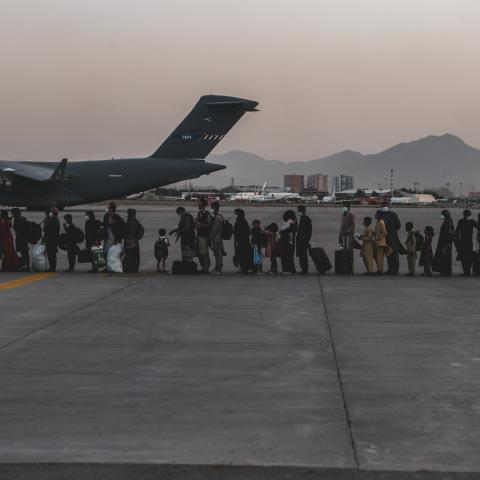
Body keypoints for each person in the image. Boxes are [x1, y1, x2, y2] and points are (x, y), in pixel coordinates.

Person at [381, 201, 403, 275]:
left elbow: (398, 225)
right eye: (383, 205)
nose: (384, 206)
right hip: (385, 237)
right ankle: (390, 269)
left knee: (395, 253)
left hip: (393, 236)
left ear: (388, 206)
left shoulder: (393, 214)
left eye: (386, 205)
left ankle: (396, 270)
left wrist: (392, 231)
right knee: (388, 253)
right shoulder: (381, 215)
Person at [455, 209, 478, 276]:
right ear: (470, 214)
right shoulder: (471, 221)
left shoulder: (461, 221)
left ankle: (466, 272)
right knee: (468, 257)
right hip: (469, 242)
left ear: (464, 214)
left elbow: (457, 232)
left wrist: (457, 241)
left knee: (463, 258)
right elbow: (478, 227)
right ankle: (467, 272)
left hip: (462, 242)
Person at [433, 209, 455, 276]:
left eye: (442, 215)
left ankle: (445, 271)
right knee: (445, 257)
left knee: (445, 257)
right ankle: (445, 270)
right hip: (445, 243)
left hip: (445, 243)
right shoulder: (448, 221)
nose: (441, 216)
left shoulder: (448, 222)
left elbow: (449, 233)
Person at [123, 208, 144, 273]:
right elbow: (141, 230)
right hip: (134, 240)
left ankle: (130, 269)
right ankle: (133, 268)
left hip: (130, 240)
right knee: (133, 255)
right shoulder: (135, 221)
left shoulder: (131, 222)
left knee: (130, 255)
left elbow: (130, 231)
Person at [196, 198, 212, 273]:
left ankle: (206, 268)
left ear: (202, 204)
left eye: (199, 203)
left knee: (204, 252)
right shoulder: (199, 213)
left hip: (204, 235)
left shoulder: (207, 214)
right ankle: (203, 267)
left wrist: (200, 224)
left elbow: (209, 225)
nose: (198, 204)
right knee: (200, 252)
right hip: (199, 234)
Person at [279, 210, 297, 274]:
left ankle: (286, 270)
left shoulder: (289, 222)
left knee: (285, 256)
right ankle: (292, 270)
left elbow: (283, 232)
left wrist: (282, 232)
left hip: (287, 242)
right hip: (291, 242)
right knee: (290, 256)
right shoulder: (294, 222)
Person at [233, 208, 251, 274]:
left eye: (235, 213)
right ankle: (243, 268)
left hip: (241, 241)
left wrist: (237, 241)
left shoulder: (240, 221)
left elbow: (239, 233)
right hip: (244, 241)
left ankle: (244, 269)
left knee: (241, 255)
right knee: (242, 255)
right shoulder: (243, 221)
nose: (235, 215)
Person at [339, 202, 355, 272]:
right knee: (344, 252)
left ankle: (350, 268)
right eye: (343, 206)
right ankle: (345, 267)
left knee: (350, 252)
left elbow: (353, 225)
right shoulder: (344, 214)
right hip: (343, 236)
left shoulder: (351, 214)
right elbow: (342, 226)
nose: (344, 207)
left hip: (349, 236)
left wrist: (348, 231)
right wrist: (340, 235)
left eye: (345, 206)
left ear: (349, 207)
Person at [43, 207, 60, 272]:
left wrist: (46, 222)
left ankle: (52, 268)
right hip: (50, 239)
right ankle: (52, 267)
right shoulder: (51, 220)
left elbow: (50, 230)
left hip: (52, 240)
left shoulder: (54, 221)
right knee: (50, 254)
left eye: (52, 213)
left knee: (52, 254)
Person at [296, 205, 312, 274]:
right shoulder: (303, 218)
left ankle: (304, 270)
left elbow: (308, 231)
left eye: (299, 210)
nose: (298, 212)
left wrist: (306, 240)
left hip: (303, 240)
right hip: (302, 240)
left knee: (303, 255)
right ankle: (304, 269)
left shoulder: (306, 219)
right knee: (302, 255)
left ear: (302, 211)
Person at [210, 202, 225, 275]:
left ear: (216, 208)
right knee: (218, 254)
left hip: (217, 239)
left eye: (212, 207)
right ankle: (217, 268)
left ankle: (218, 269)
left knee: (217, 254)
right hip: (219, 238)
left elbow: (215, 230)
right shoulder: (219, 216)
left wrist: (211, 237)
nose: (211, 209)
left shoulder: (217, 218)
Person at [374, 210, 388, 275]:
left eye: (376, 214)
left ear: (380, 215)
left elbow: (385, 232)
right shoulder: (378, 222)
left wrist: (378, 237)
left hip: (381, 242)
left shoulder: (381, 222)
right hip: (378, 242)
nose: (375, 215)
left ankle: (380, 270)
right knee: (378, 257)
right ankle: (379, 270)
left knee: (380, 257)